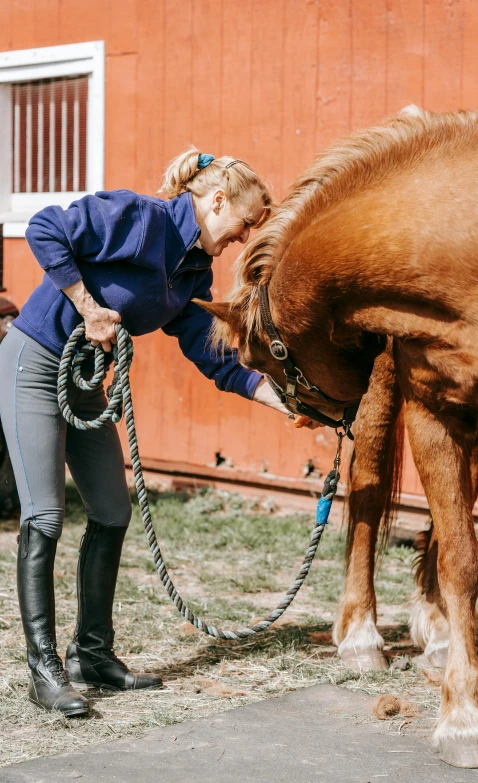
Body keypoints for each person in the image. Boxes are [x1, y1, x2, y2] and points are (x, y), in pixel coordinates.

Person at [0, 149, 303, 717]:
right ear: (217, 202)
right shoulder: (140, 219)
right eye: (246, 221)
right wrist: (88, 306)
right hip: (34, 365)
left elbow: (214, 359)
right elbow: (46, 228)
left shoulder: (193, 272)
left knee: (112, 512)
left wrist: (282, 402)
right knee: (44, 517)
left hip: (86, 382)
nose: (245, 236)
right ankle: (44, 668)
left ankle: (92, 652)